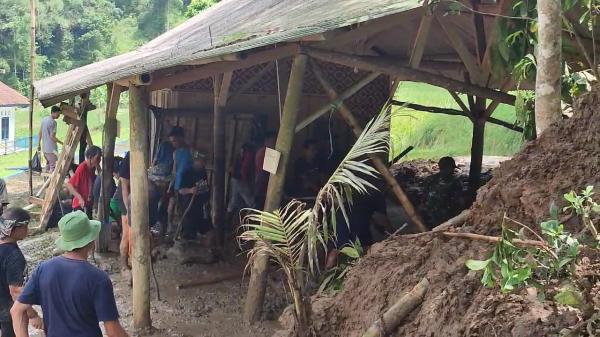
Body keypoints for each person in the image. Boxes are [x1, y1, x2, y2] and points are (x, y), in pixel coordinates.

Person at [11, 211, 129, 337]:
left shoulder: (43, 269)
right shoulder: (98, 279)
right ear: (91, 241)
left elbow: (16, 311)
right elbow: (113, 331)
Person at [325, 186, 391, 269]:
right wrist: (392, 234)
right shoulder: (378, 195)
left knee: (338, 248)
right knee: (365, 247)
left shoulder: (359, 190)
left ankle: (328, 272)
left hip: (342, 217)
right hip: (356, 221)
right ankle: (363, 270)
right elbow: (382, 219)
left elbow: (370, 216)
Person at [0, 208, 43, 337]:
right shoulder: (13, 256)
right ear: (15, 228)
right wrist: (32, 314)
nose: (27, 230)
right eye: (26, 226)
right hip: (8, 312)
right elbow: (16, 292)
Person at [422, 156, 465, 228]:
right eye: (451, 168)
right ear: (442, 168)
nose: (452, 171)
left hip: (446, 215)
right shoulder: (430, 180)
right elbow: (424, 197)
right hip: (431, 213)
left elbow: (459, 202)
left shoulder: (456, 182)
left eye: (453, 169)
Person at [178, 151, 212, 240]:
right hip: (188, 207)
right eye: (202, 161)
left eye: (204, 162)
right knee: (189, 231)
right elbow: (181, 190)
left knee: (206, 229)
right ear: (196, 161)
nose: (203, 164)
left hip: (200, 207)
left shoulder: (202, 171)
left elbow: (204, 185)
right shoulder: (187, 172)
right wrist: (191, 190)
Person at [66, 146, 102, 218]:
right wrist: (80, 198)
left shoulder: (93, 167)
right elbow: (69, 185)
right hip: (80, 205)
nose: (99, 160)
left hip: (88, 203)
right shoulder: (81, 169)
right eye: (97, 158)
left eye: (100, 158)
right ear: (90, 157)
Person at [227, 142, 255, 226]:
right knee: (251, 203)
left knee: (234, 202)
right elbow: (244, 170)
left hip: (236, 179)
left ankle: (228, 223)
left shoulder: (240, 155)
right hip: (240, 180)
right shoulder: (248, 155)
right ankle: (249, 225)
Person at [254, 132, 276, 209]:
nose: (274, 144)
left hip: (264, 184)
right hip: (262, 184)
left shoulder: (265, 152)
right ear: (266, 141)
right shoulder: (264, 152)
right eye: (272, 141)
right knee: (259, 206)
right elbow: (270, 172)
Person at [38, 106, 63, 173]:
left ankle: (46, 181)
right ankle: (51, 182)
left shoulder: (44, 119)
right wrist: (62, 143)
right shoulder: (53, 122)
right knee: (53, 167)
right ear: (53, 112)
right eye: (58, 114)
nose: (59, 116)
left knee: (48, 164)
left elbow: (40, 133)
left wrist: (39, 144)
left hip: (45, 148)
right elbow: (52, 137)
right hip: (52, 149)